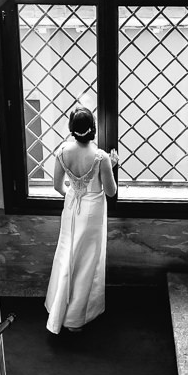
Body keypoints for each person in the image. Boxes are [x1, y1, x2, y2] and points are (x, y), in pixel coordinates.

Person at [45, 106, 119, 334]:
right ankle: (75, 319)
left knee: (66, 255)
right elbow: (110, 192)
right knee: (86, 262)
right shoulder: (101, 157)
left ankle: (57, 308)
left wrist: (74, 191)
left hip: (71, 208)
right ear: (93, 129)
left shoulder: (62, 151)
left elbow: (58, 186)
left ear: (72, 129)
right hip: (92, 213)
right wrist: (112, 167)